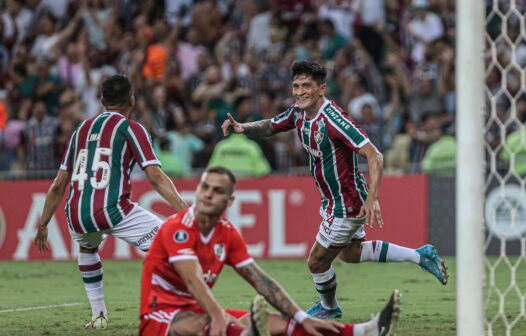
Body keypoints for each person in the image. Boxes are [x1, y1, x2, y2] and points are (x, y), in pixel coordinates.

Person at [222, 61, 448, 319]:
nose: (300, 91)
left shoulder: (334, 120)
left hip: (348, 202)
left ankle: (329, 308)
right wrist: (243, 127)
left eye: (307, 86)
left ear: (322, 89)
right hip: (336, 199)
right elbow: (272, 125)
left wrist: (373, 198)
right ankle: (420, 256)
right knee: (350, 254)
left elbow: (375, 155)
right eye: (296, 86)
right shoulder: (298, 113)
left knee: (317, 261)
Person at [139, 166, 401, 336]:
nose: (207, 195)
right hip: (159, 318)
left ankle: (363, 332)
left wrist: (299, 316)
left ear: (229, 201)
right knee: (210, 326)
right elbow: (192, 279)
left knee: (281, 323)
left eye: (217, 191)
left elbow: (259, 279)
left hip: (199, 310)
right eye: (204, 188)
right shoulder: (177, 227)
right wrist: (219, 316)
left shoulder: (227, 233)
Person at [33, 74, 188, 329]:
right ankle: (172, 308)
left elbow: (59, 184)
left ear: (102, 100)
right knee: (170, 244)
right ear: (132, 100)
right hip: (114, 210)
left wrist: (43, 222)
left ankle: (99, 316)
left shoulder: (80, 130)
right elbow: (156, 177)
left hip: (78, 215)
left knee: (88, 249)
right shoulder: (131, 128)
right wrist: (185, 211)